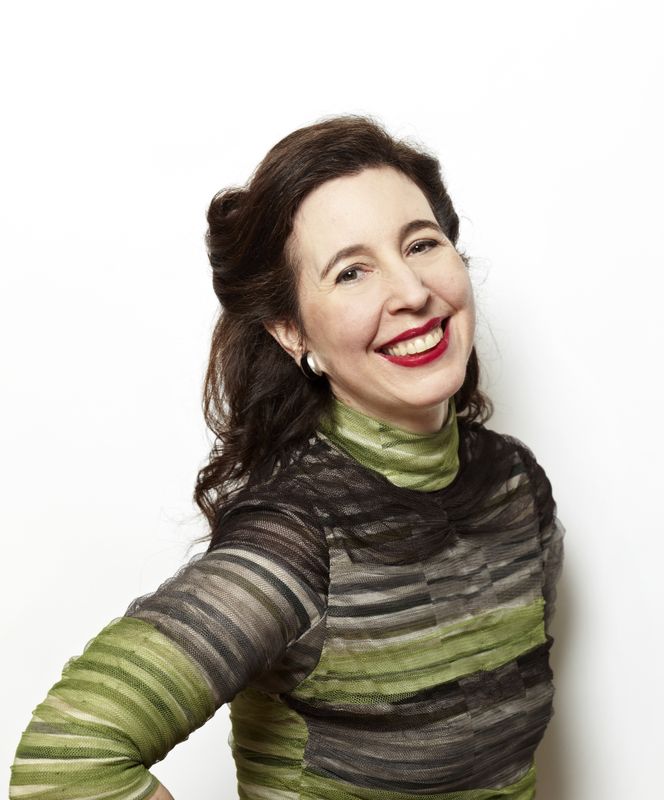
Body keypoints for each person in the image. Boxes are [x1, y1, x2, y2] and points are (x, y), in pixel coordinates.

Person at [9, 114, 565, 800]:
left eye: (421, 244)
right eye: (352, 272)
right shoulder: (300, 540)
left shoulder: (514, 486)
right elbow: (66, 761)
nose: (412, 292)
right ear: (292, 330)